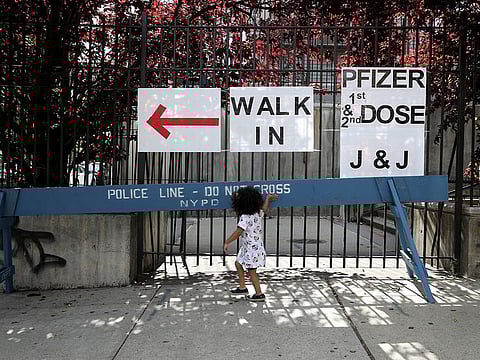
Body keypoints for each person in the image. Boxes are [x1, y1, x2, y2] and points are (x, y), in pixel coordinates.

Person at [223, 186, 278, 302]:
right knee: (238, 263)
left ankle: (259, 293)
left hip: (251, 250)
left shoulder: (245, 217)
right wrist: (268, 199)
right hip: (251, 247)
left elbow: (239, 231)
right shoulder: (257, 214)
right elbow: (264, 209)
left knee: (252, 271)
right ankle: (243, 287)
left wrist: (227, 242)